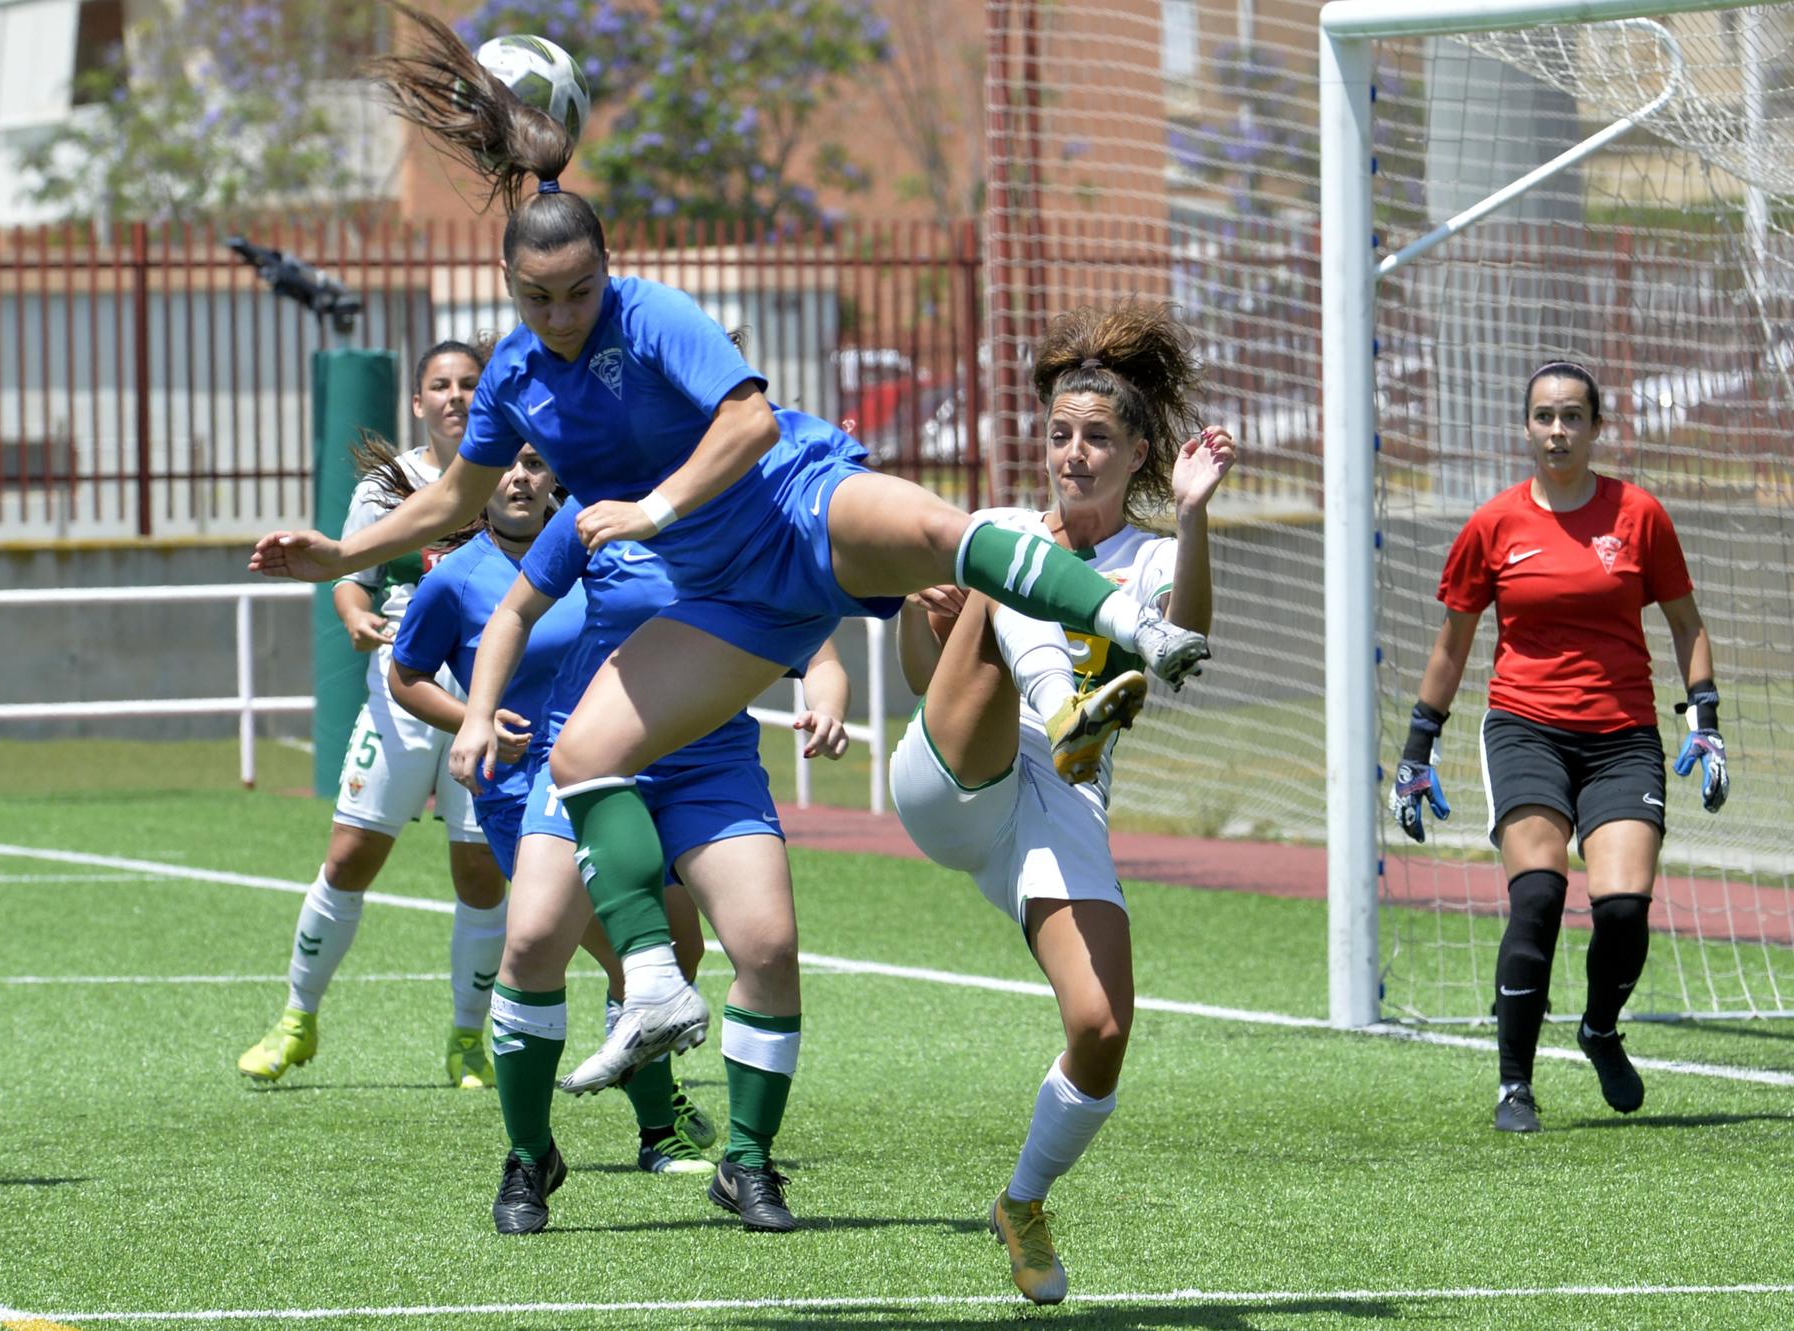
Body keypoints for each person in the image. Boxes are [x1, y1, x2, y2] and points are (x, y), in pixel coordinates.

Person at [253, 7, 1210, 1098]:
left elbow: (749, 422)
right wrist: (339, 552)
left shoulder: (655, 314)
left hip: (795, 507)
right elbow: (452, 503)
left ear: (607, 272)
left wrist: (654, 507)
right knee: (581, 757)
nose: (562, 314)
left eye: (578, 292)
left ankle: (1135, 623)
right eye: (537, 298)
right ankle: (654, 984)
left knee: (948, 533)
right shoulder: (514, 374)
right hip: (727, 599)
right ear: (509, 294)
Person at [887, 302, 1234, 1303]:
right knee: (1006, 557)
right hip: (952, 774)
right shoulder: (998, 529)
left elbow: (1190, 637)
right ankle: (1060, 701)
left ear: (1136, 455)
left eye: (1095, 438)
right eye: (1058, 435)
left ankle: (1023, 1202)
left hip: (1055, 800)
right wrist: (932, 616)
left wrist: (1198, 511)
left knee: (1101, 1024)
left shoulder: (1153, 558)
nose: (1071, 454)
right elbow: (921, 678)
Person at [453, 495, 851, 1234]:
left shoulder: (755, 512)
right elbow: (511, 613)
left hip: (711, 766)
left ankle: (747, 1160)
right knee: (533, 940)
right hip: (591, 758)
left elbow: (820, 651)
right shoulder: (594, 502)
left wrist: (826, 703)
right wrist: (477, 712)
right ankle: (530, 1153)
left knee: (768, 947)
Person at [1389, 360, 1728, 1135]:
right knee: (1538, 894)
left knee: (1621, 907)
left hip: (1622, 738)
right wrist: (1417, 749)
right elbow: (1452, 645)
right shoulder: (1494, 524)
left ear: (1597, 427)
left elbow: (1686, 623)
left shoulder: (1639, 514)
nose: (1558, 431)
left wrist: (1703, 718)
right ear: (1526, 427)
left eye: (1573, 416)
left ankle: (1600, 1027)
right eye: (1544, 416)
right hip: (1525, 728)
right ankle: (1515, 1082)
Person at [238, 339, 519, 1090]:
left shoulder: (521, 472)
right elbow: (350, 578)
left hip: (487, 705)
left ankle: (468, 1039)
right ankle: (297, 1017)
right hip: (401, 701)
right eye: (441, 385)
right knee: (348, 858)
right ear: (419, 403)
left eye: (469, 383)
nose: (456, 396)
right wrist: (358, 616)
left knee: (481, 873)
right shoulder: (390, 484)